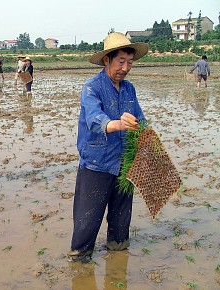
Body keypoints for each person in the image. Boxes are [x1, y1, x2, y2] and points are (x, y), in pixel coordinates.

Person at [68, 32, 148, 263]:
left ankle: (118, 253)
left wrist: (143, 130)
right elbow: (94, 119)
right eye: (120, 62)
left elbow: (140, 119)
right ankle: (80, 258)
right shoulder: (92, 87)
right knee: (88, 217)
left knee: (121, 215)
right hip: (97, 162)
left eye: (129, 63)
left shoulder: (129, 89)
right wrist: (116, 124)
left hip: (125, 161)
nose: (125, 68)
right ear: (107, 60)